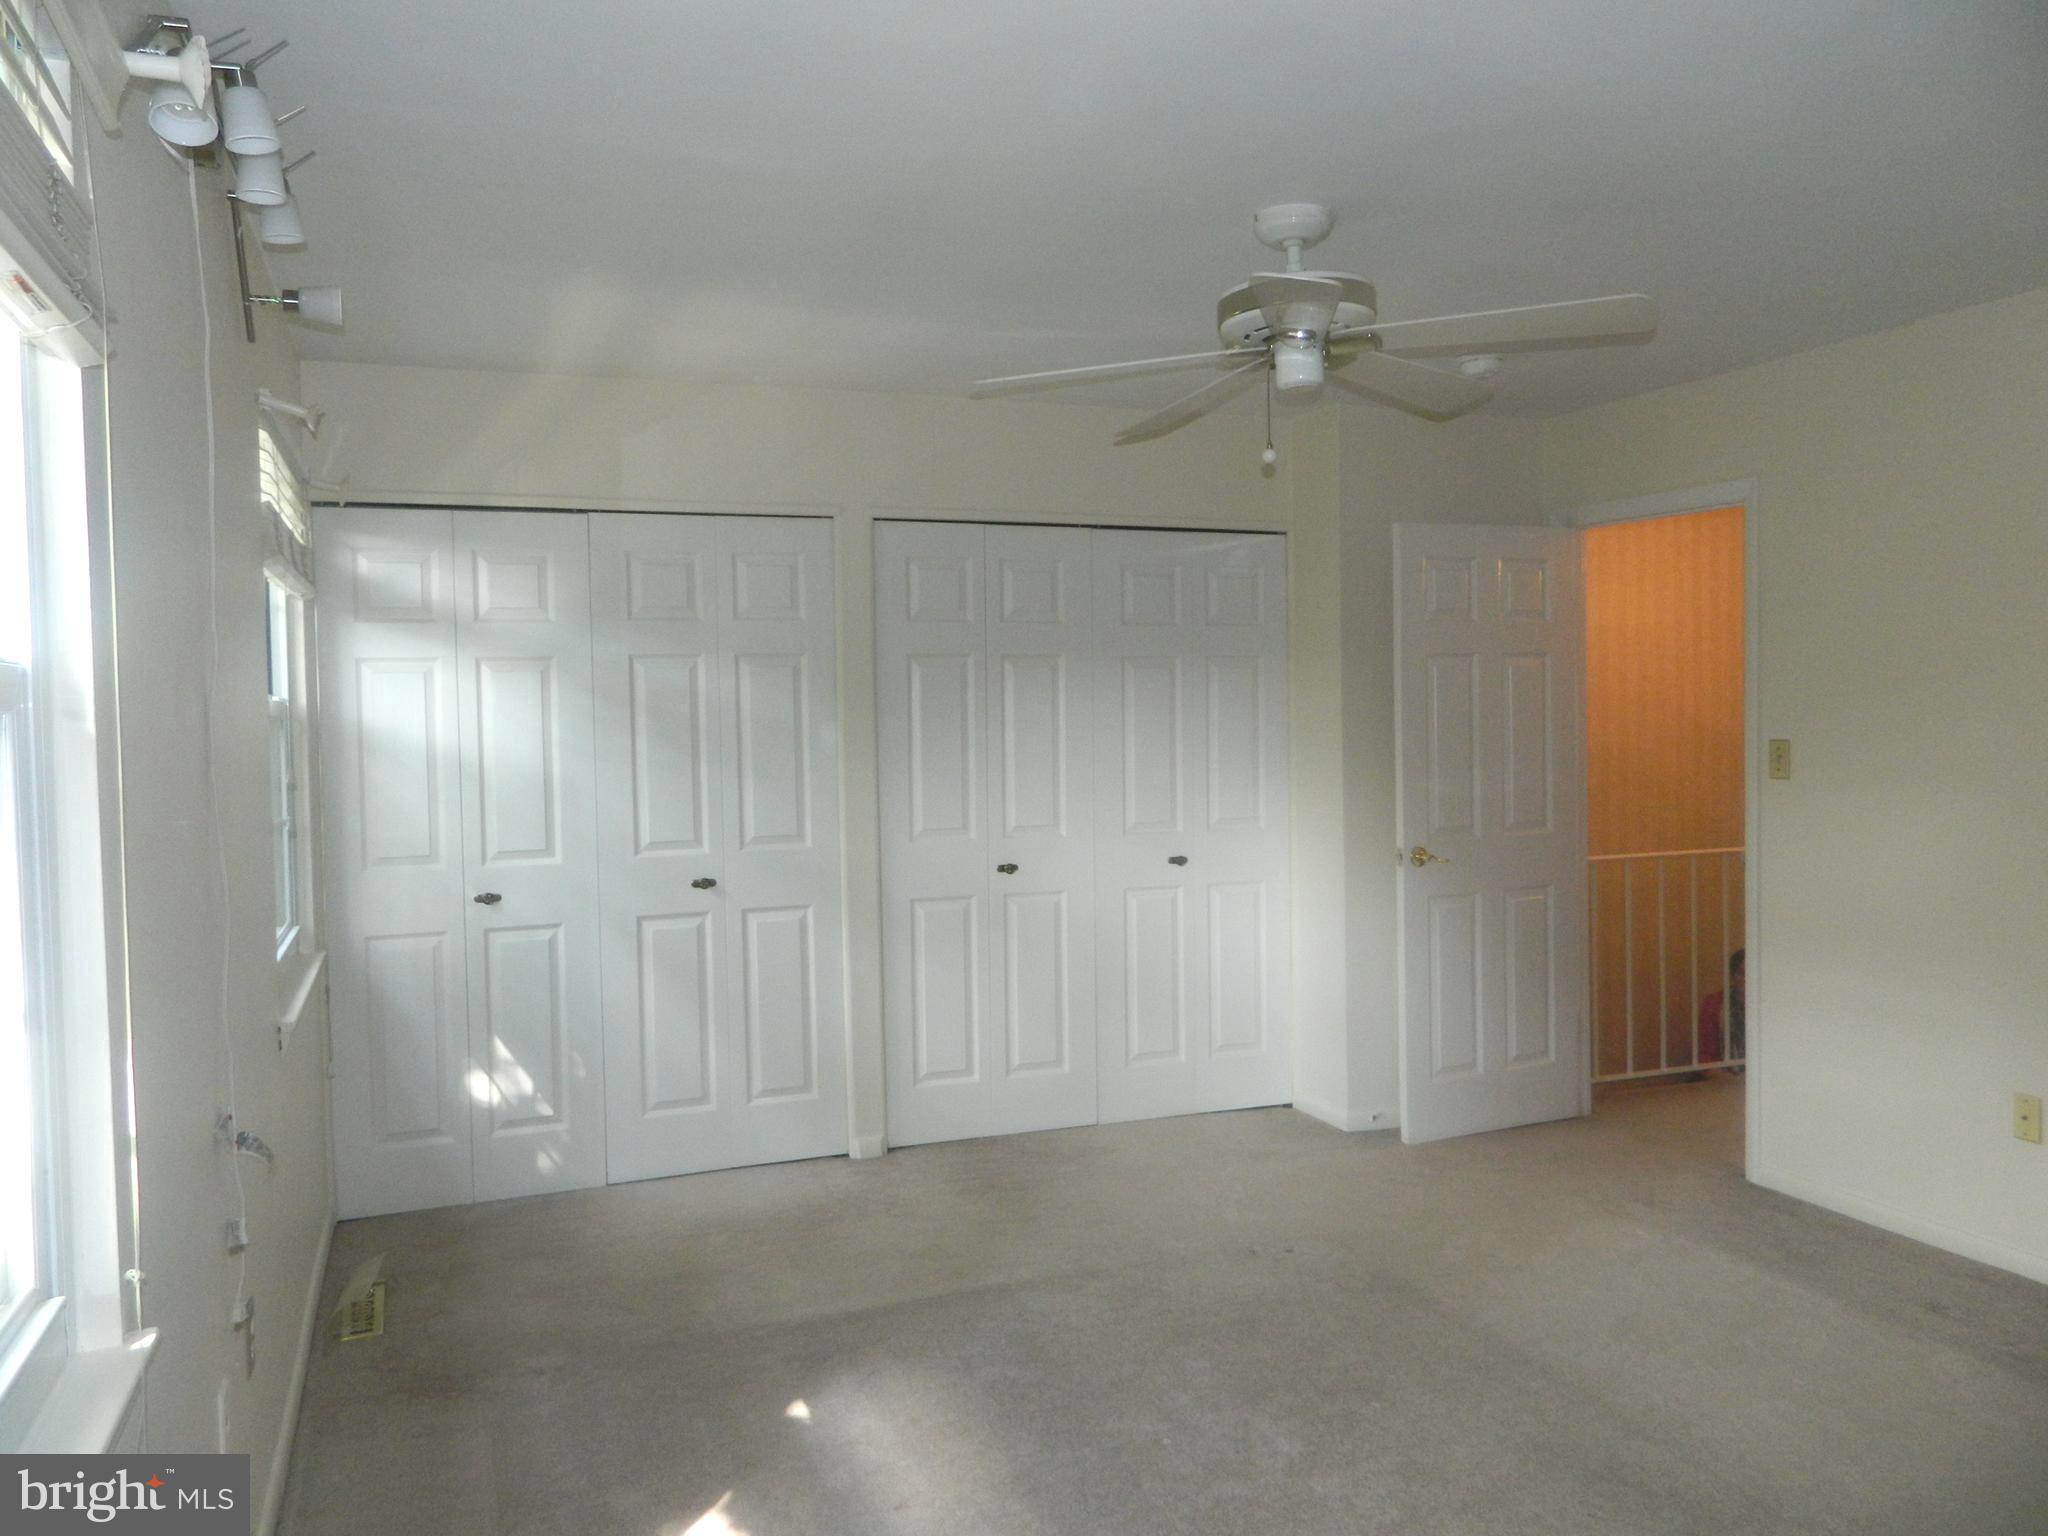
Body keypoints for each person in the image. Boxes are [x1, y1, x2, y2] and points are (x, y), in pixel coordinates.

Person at [1697, 948, 1745, 1071]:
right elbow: (1706, 1055)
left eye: (1753, 972)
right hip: (1723, 1074)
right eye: (1742, 973)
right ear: (1733, 976)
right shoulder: (1714, 1003)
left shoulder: (1773, 1004)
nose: (1747, 979)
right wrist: (1725, 1078)